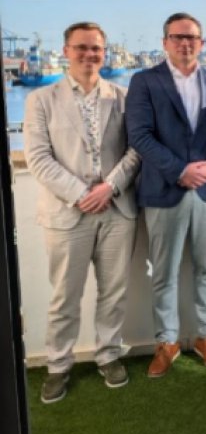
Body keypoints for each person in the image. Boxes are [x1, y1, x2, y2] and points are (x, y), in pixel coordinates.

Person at [24, 22, 141, 403]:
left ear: (104, 52)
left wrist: (110, 186)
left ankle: (109, 354)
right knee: (65, 295)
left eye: (96, 48)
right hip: (66, 214)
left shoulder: (123, 97)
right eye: (82, 47)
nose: (90, 54)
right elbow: (38, 158)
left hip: (117, 208)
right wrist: (80, 194)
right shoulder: (41, 99)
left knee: (114, 291)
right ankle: (58, 364)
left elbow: (136, 150)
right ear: (66, 51)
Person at [125, 12, 206, 377]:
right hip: (163, 191)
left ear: (201, 43)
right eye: (178, 37)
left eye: (192, 38)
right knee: (164, 272)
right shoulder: (144, 81)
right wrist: (180, 170)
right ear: (165, 42)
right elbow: (139, 135)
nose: (185, 43)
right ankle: (166, 341)